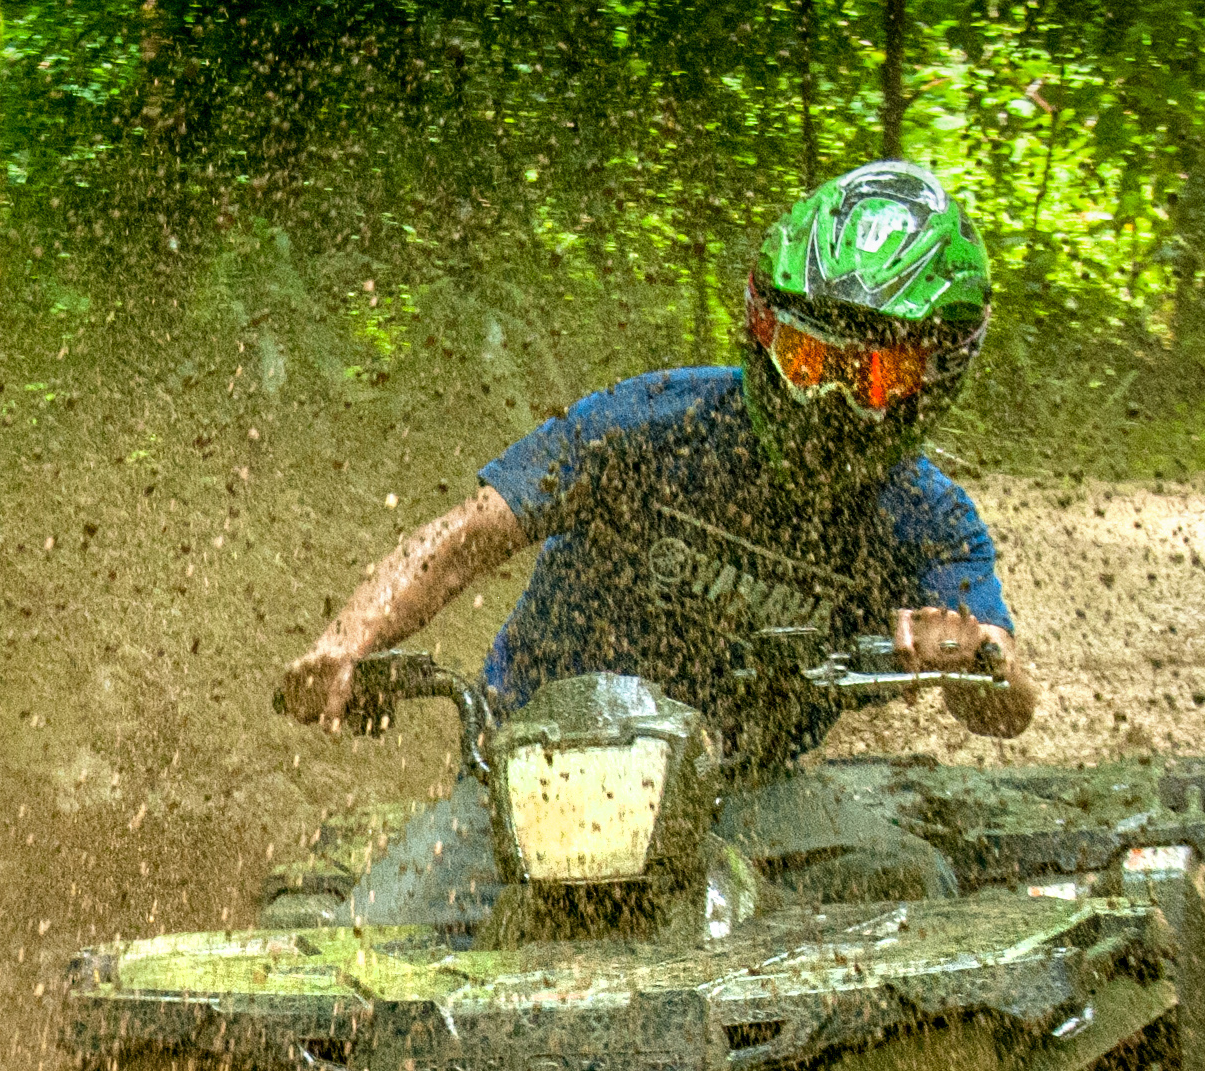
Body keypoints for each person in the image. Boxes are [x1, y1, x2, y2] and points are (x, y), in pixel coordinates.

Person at [278, 162, 1041, 788]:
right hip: (538, 766)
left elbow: (1010, 707)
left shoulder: (933, 523)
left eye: (870, 375)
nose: (826, 395)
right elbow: (470, 534)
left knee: (903, 887)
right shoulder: (652, 423)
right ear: (763, 331)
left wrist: (974, 656)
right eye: (807, 358)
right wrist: (350, 639)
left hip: (745, 795)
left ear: (936, 373)